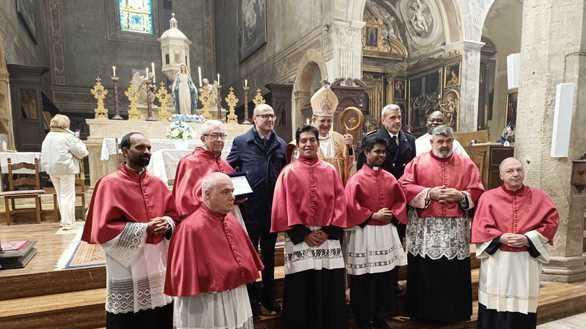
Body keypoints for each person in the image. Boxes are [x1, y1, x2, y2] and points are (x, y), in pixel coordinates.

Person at [82, 132, 177, 329]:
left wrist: (167, 223)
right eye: (140, 147)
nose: (147, 152)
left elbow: (173, 213)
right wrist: (145, 229)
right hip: (126, 258)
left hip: (156, 257)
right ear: (125, 151)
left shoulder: (158, 183)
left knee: (160, 311)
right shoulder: (109, 183)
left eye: (149, 148)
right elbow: (102, 229)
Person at [399, 125, 484, 324]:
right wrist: (430, 193)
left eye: (448, 141)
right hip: (426, 228)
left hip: (454, 229)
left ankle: (454, 313)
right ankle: (424, 313)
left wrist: (461, 195)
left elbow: (478, 189)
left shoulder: (466, 164)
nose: (444, 145)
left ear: (453, 141)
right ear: (431, 142)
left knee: (451, 272)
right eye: (440, 141)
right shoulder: (417, 162)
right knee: (427, 271)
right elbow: (404, 186)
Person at [271, 125, 347, 329]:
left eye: (312, 140)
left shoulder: (330, 171)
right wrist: (303, 234)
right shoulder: (288, 172)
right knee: (301, 286)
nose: (308, 144)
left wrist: (328, 231)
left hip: (326, 237)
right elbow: (281, 207)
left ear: (317, 143)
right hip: (300, 238)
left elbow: (340, 202)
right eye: (303, 140)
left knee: (327, 284)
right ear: (297, 144)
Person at [165, 172, 263, 329]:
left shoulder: (231, 219)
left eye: (232, 191)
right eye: (225, 192)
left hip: (235, 296)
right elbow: (187, 281)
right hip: (207, 304)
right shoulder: (190, 228)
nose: (232, 196)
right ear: (207, 194)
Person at [472, 158, 559, 329]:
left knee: (523, 306)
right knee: (494, 304)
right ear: (501, 176)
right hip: (498, 260)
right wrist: (500, 237)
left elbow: (551, 222)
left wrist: (528, 239)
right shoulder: (488, 197)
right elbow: (480, 226)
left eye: (519, 170)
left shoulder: (540, 197)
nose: (516, 174)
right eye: (510, 171)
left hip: (525, 261)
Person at [227, 103, 288, 315]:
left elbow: (285, 171)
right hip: (250, 208)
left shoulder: (280, 143)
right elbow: (228, 168)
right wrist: (236, 192)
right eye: (264, 116)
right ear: (254, 119)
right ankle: (252, 301)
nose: (269, 120)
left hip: (272, 208)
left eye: (271, 116)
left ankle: (269, 298)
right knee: (251, 255)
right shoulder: (241, 141)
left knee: (270, 256)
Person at [344, 135, 408, 329]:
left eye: (383, 152)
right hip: (364, 234)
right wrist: (372, 216)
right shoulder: (356, 179)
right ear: (366, 152)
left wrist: (393, 215)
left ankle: (380, 317)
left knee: (384, 279)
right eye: (377, 151)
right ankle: (363, 319)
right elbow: (349, 205)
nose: (381, 155)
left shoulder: (390, 177)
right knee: (363, 280)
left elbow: (400, 201)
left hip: (385, 234)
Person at [172, 120, 233, 220]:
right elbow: (184, 200)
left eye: (222, 136)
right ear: (203, 139)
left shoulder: (225, 164)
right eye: (214, 135)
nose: (219, 139)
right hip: (201, 219)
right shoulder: (189, 162)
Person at [41, 114, 89, 230]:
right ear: (65, 124)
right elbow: (82, 152)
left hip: (52, 169)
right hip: (65, 168)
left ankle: (64, 220)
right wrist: (80, 143)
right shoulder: (67, 136)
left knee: (60, 194)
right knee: (67, 195)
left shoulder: (48, 136)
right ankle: (68, 222)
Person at [309, 83, 354, 184]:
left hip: (336, 188)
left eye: (329, 121)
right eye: (323, 120)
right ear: (314, 119)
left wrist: (349, 147)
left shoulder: (339, 138)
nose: (326, 124)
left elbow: (348, 166)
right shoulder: (306, 141)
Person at [357, 104, 415, 181]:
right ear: (383, 120)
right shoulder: (371, 139)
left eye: (399, 117)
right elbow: (362, 169)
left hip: (403, 187)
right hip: (379, 185)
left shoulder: (410, 139)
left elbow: (412, 169)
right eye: (392, 118)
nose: (397, 121)